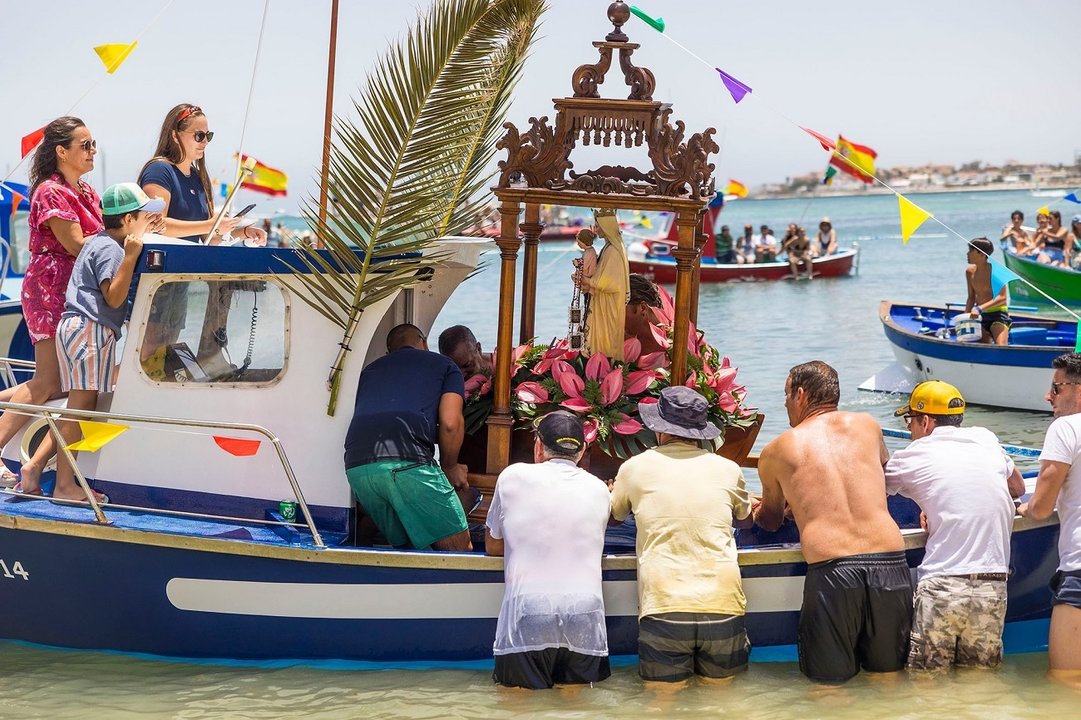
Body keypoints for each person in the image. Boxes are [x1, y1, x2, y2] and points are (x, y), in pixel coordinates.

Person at [756, 361, 912, 683]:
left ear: (800, 394)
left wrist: (779, 506)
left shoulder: (776, 449)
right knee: (889, 680)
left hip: (833, 569)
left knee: (828, 689)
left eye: (786, 395)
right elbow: (880, 472)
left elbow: (769, 521)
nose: (785, 403)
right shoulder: (869, 426)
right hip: (890, 562)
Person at [610, 386, 753, 682]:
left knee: (662, 704)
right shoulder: (728, 469)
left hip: (664, 604)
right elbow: (746, 521)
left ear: (659, 430)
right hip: (723, 603)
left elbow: (614, 518)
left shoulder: (633, 468)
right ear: (701, 432)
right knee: (723, 701)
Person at [884, 381, 1023, 671]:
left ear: (926, 421)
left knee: (927, 686)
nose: (910, 429)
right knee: (981, 684)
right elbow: (1017, 487)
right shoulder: (985, 439)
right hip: (993, 584)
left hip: (942, 586)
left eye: (910, 420)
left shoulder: (912, 455)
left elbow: (869, 492)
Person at [0, 117, 104, 495]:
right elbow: (76, 243)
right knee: (47, 381)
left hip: (75, 291)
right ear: (61, 151)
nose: (93, 151)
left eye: (94, 144)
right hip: (50, 288)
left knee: (58, 383)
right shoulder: (50, 191)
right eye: (85, 145)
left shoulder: (87, 192)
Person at [46, 184, 161, 504]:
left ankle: (44, 473)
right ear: (127, 221)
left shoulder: (96, 241)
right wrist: (131, 256)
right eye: (142, 216)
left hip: (74, 326)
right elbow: (112, 296)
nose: (146, 221)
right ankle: (64, 486)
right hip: (90, 329)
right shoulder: (113, 249)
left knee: (78, 407)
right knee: (80, 409)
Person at [485, 411, 611, 689]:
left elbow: (493, 544)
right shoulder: (600, 489)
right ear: (582, 451)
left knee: (518, 705)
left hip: (529, 608)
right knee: (575, 708)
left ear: (539, 447)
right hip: (585, 613)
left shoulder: (512, 476)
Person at [343, 323, 472, 551]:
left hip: (357, 468)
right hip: (409, 465)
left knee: (407, 549)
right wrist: (450, 466)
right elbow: (451, 423)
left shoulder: (369, 371)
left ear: (388, 353)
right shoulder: (444, 365)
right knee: (459, 549)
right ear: (424, 343)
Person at [1018, 352, 1081, 681]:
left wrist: (1023, 507)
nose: (1048, 396)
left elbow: (1041, 507)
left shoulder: (1066, 428)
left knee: (1066, 681)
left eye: (1056, 388)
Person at [139, 104, 266, 245]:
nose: (205, 141)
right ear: (175, 135)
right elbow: (155, 225)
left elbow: (209, 238)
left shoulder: (199, 178)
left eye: (208, 136)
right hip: (164, 262)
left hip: (189, 263)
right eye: (199, 135)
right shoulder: (160, 170)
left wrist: (245, 232)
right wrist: (211, 225)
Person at [572, 209, 628, 361]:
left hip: (608, 305)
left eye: (598, 226)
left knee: (605, 342)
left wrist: (587, 281)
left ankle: (601, 371)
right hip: (602, 301)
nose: (596, 230)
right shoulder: (609, 247)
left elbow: (609, 282)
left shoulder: (613, 251)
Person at [964, 237, 1010, 346]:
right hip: (980, 316)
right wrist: (965, 318)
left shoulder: (997, 271)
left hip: (998, 315)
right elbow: (971, 297)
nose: (967, 253)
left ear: (981, 254)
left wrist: (979, 308)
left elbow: (1002, 297)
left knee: (1001, 347)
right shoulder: (969, 272)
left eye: (971, 251)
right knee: (980, 348)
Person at [624, 273, 664, 355]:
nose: (613, 317)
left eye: (619, 311)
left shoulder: (676, 342)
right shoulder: (620, 343)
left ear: (642, 308)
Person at [573, 227, 598, 318]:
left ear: (584, 241)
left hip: (588, 275)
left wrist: (577, 263)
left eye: (579, 242)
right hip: (588, 276)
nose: (578, 244)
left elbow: (585, 265)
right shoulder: (589, 251)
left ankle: (586, 316)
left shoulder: (589, 252)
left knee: (587, 301)